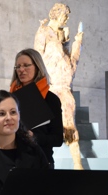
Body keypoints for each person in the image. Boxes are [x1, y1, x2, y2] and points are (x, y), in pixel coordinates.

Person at [34, 3, 84, 169]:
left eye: (68, 15)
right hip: (49, 86)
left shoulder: (63, 35)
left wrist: (75, 42)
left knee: (69, 118)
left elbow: (70, 63)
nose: (67, 18)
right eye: (64, 14)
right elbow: (37, 56)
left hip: (64, 86)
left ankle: (77, 162)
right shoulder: (44, 31)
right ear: (56, 14)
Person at [10, 48, 63, 169]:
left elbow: (57, 139)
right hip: (13, 161)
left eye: (26, 66)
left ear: (37, 67)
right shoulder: (10, 98)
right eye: (18, 67)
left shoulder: (50, 100)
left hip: (41, 162)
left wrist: (33, 136)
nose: (21, 70)